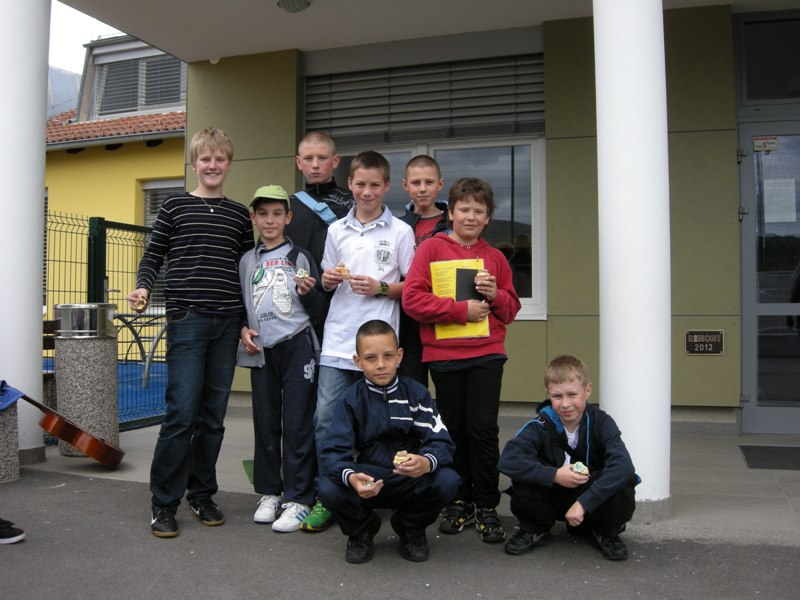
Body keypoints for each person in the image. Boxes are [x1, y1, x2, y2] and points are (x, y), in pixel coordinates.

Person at [127, 127, 255, 538]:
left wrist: (246, 321)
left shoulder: (239, 215)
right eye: (205, 159)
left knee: (213, 417)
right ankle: (163, 503)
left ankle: (201, 495)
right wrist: (143, 287)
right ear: (194, 163)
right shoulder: (174, 206)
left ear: (229, 165)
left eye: (220, 159)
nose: (212, 165)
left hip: (227, 324)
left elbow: (246, 271)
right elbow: (153, 255)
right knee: (182, 414)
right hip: (188, 320)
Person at [402, 177, 521, 544]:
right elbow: (412, 300)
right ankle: (458, 500)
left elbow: (511, 310)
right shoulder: (431, 249)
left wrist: (496, 295)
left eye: (478, 211)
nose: (471, 216)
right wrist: (459, 310)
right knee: (453, 430)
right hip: (444, 356)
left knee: (483, 430)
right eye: (464, 209)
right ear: (450, 212)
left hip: (487, 354)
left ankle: (486, 504)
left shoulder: (495, 257)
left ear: (488, 218)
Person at [311, 151, 416, 531]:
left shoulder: (401, 231)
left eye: (374, 185)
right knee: (326, 419)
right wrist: (327, 280)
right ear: (350, 184)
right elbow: (327, 277)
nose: (367, 192)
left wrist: (380, 288)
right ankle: (329, 494)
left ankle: (384, 490)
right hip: (339, 340)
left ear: (386, 186)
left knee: (381, 424)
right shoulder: (336, 230)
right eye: (360, 184)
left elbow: (413, 287)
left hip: (380, 347)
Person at [318, 320, 459, 564]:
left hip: (408, 477)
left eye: (388, 356)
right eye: (370, 358)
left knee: (448, 480)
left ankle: (410, 527)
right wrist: (352, 477)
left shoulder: (416, 393)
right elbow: (332, 452)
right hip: (368, 478)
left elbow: (442, 442)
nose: (381, 364)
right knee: (326, 487)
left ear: (399, 356)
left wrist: (426, 462)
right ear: (357, 361)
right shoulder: (350, 400)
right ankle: (362, 529)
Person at [237, 185, 327, 532]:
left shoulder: (300, 257)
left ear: (288, 217)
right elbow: (242, 305)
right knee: (265, 421)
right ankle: (270, 492)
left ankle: (299, 497)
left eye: (277, 213)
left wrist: (309, 293)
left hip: (297, 345)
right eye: (263, 214)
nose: (270, 220)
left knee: (297, 422)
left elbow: (319, 310)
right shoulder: (247, 260)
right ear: (253, 217)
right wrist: (242, 329)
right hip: (262, 350)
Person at [498, 355, 637, 561]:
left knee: (623, 478)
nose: (565, 403)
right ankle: (534, 528)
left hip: (586, 499)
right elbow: (508, 460)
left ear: (587, 390)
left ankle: (604, 531)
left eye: (572, 394)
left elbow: (623, 466)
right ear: (548, 394)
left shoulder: (602, 422)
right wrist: (554, 475)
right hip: (552, 495)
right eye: (557, 396)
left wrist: (584, 503)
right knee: (524, 471)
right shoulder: (539, 425)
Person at [284, 131, 353, 532]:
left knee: (338, 409)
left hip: (341, 320)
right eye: (307, 158)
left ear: (335, 161)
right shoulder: (289, 207)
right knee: (305, 408)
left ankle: (347, 482)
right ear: (298, 162)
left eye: (322, 158)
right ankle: (303, 486)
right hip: (296, 320)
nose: (314, 164)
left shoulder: (351, 204)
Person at [398, 155, 449, 387]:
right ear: (405, 185)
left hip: (444, 320)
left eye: (429, 182)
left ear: (440, 184)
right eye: (416, 183)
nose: (422, 189)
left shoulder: (454, 224)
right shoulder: (397, 226)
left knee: (449, 395)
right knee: (412, 391)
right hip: (408, 324)